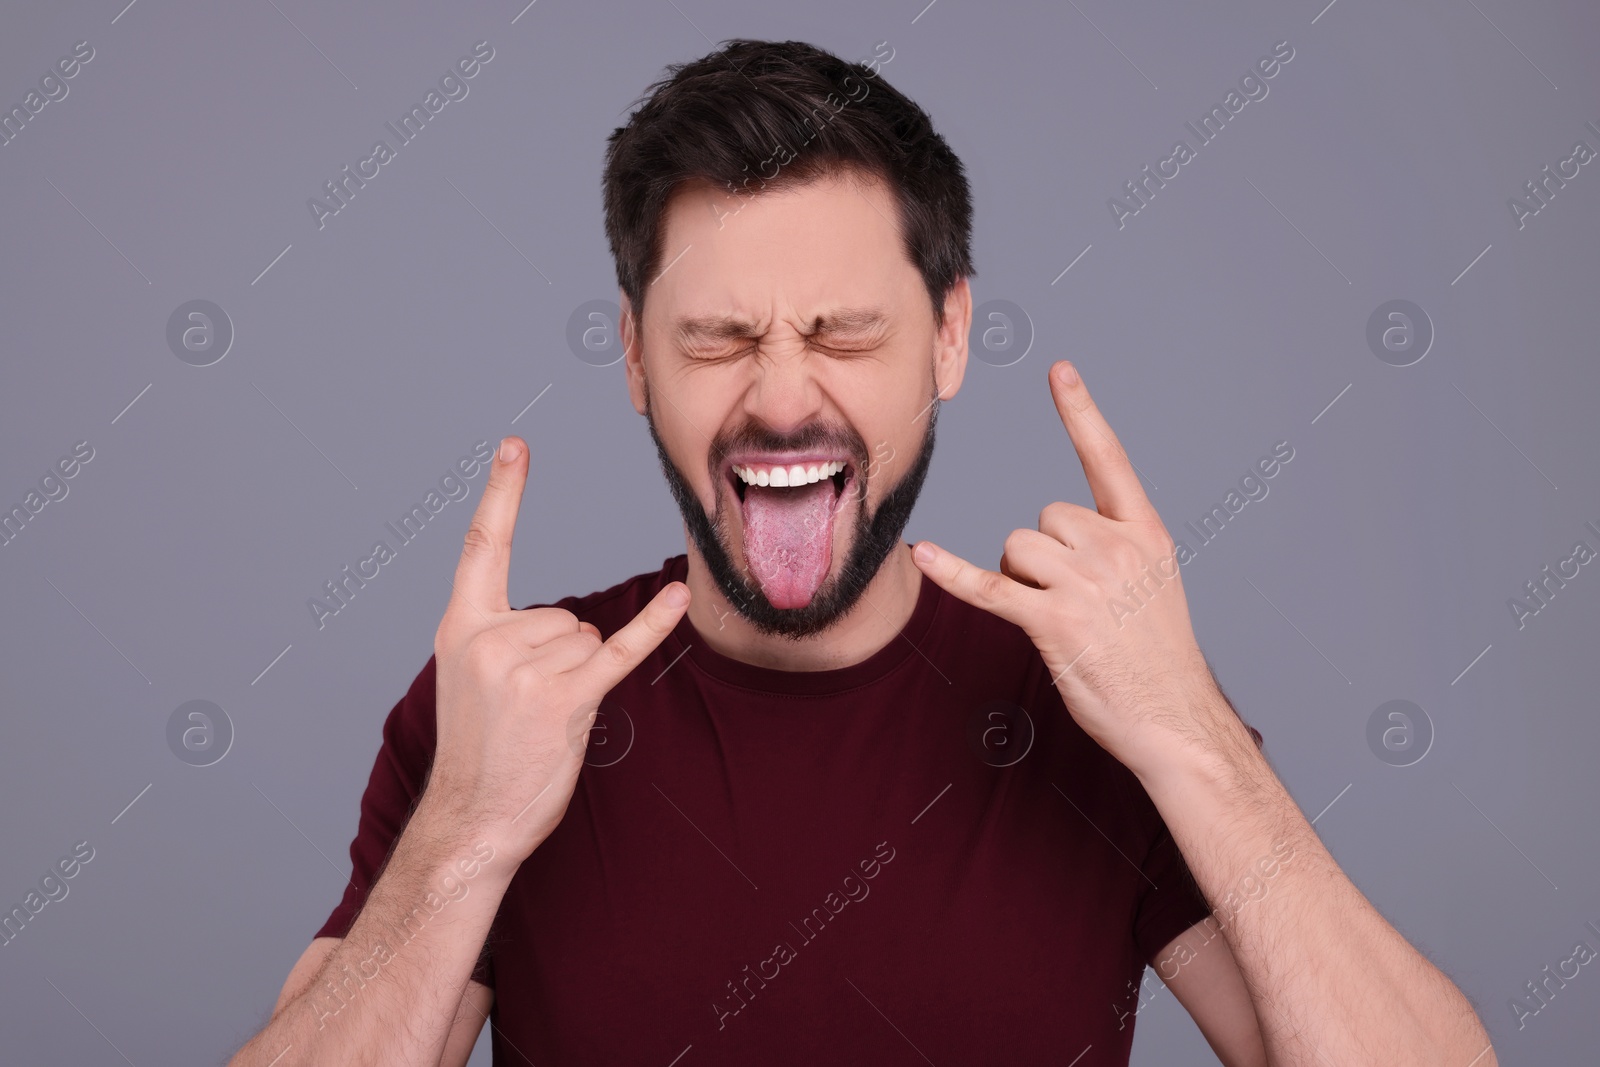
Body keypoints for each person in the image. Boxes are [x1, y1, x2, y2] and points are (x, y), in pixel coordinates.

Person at [229, 38, 1494, 1066]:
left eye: (844, 334)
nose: (783, 400)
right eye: (720, 336)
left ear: (949, 337)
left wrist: (1189, 735)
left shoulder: (1089, 700)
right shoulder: (503, 713)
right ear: (632, 358)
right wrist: (462, 833)